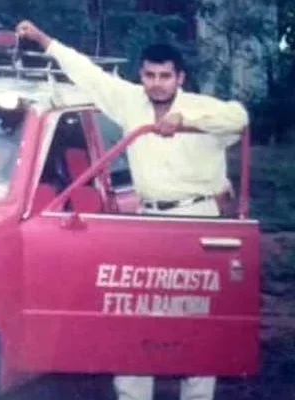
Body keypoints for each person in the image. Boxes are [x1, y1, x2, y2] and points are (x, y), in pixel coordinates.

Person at [14, 19, 249, 400]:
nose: (157, 83)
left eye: (165, 76)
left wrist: (186, 121)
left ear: (180, 78)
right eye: (150, 75)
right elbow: (88, 74)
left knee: (196, 315)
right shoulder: (130, 101)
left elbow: (239, 117)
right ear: (141, 75)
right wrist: (44, 41)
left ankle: (197, 396)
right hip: (147, 220)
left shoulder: (202, 108)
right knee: (139, 313)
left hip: (197, 221)